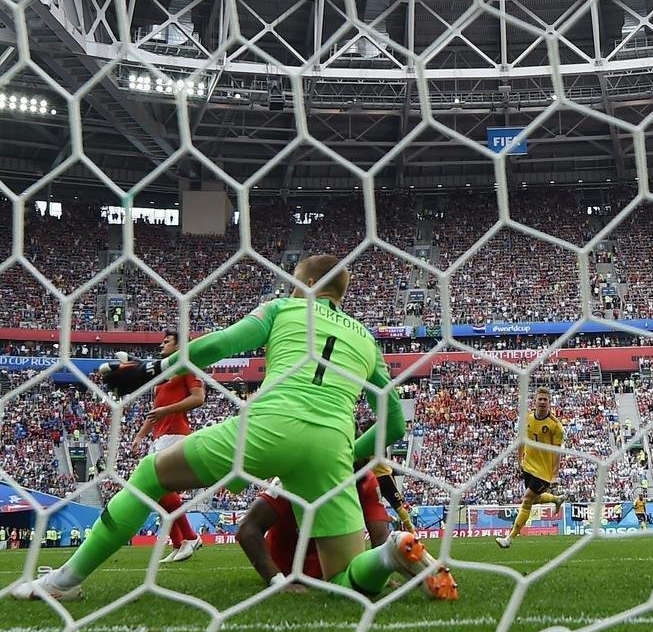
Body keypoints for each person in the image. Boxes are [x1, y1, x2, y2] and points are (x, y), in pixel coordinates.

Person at [11, 254, 457, 602]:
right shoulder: (367, 339)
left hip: (265, 428)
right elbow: (395, 420)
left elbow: (223, 344)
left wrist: (153, 369)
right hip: (330, 450)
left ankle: (64, 582)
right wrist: (349, 451)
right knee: (348, 580)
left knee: (150, 476)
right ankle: (391, 552)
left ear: (303, 284)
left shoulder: (284, 308)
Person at [236, 473, 403, 591]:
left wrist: (381, 574)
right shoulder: (294, 477)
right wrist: (278, 582)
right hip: (290, 571)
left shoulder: (365, 479)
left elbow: (380, 535)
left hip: (340, 572)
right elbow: (247, 529)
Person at [129, 330, 207, 564]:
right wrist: (140, 436)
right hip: (159, 437)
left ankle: (188, 539)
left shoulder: (186, 368)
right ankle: (180, 542)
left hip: (176, 435)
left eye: (166, 342)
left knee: (159, 488)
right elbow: (156, 410)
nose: (161, 345)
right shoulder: (163, 376)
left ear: (178, 346)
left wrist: (166, 411)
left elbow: (199, 397)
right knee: (156, 492)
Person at [496, 388, 566, 549]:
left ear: (549, 403)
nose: (542, 402)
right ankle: (556, 499)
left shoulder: (555, 426)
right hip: (528, 466)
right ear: (534, 401)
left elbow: (557, 452)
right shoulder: (526, 419)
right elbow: (521, 441)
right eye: (540, 399)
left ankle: (509, 538)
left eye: (545, 400)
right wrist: (519, 459)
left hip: (544, 472)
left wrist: (554, 474)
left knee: (527, 499)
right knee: (534, 498)